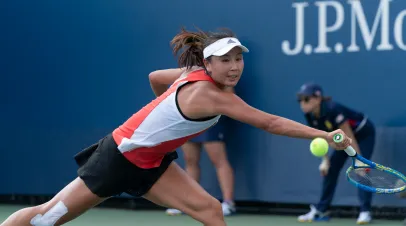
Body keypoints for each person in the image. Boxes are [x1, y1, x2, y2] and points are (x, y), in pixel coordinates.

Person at [0, 27, 352, 226]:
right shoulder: (213, 95)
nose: (234, 67)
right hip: (119, 157)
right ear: (208, 63)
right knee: (46, 219)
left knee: (211, 210)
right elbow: (271, 122)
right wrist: (323, 134)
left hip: (151, 163)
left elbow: (155, 78)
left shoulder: (189, 75)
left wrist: (174, 116)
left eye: (239, 58)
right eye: (225, 61)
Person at [296, 83, 375, 224]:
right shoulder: (309, 115)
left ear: (318, 98)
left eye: (306, 99)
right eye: (300, 100)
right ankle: (322, 210)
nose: (302, 103)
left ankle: (365, 211)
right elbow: (320, 138)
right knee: (330, 170)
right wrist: (325, 161)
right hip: (343, 139)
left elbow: (348, 136)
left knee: (362, 169)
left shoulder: (333, 109)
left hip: (363, 134)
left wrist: (359, 160)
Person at [166, 102, 236, 216]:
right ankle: (188, 203)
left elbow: (228, 94)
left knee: (219, 160)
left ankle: (228, 203)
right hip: (187, 121)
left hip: (210, 119)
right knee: (190, 160)